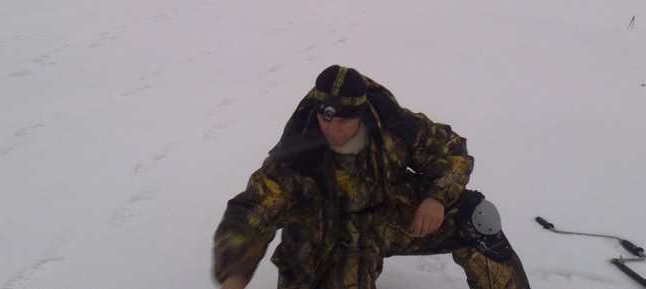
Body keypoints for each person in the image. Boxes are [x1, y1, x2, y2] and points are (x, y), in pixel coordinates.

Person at [212, 65, 530, 289]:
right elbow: (253, 210)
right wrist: (234, 275)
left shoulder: (393, 125)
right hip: (328, 238)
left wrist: (437, 197)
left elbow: (453, 152)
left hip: (387, 216)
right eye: (326, 120)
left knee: (478, 221)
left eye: (343, 123)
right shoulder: (296, 155)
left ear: (360, 114)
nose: (332, 130)